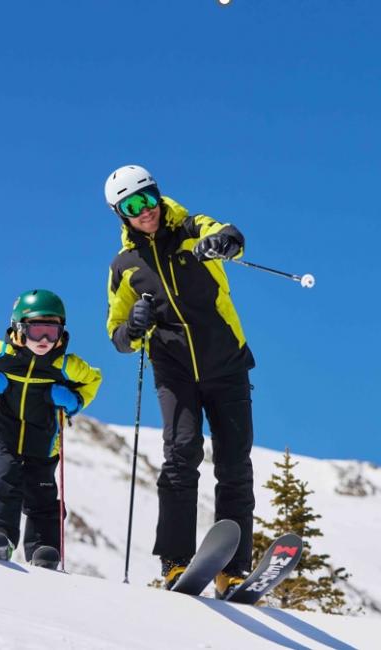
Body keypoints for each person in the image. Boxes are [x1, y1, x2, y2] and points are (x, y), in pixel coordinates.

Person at [104, 164, 256, 598]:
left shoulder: (192, 228)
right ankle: (175, 563)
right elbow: (116, 335)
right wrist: (133, 326)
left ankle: (233, 570)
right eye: (132, 206)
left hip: (226, 362)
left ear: (157, 194)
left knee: (233, 463)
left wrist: (223, 241)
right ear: (121, 215)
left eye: (147, 199)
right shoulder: (124, 267)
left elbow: (230, 237)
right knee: (180, 456)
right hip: (174, 370)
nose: (144, 211)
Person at [0, 289, 102, 567]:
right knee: (4, 480)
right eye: (37, 331)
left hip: (44, 440)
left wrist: (74, 400)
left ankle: (44, 548)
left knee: (42, 491)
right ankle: (0, 535)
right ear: (19, 328)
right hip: (6, 434)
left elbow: (93, 379)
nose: (45, 340)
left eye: (52, 331)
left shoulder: (65, 365)